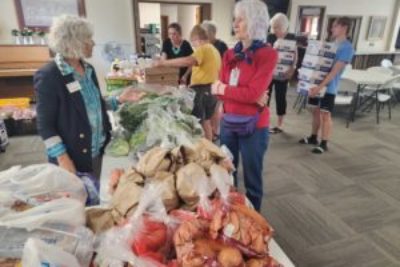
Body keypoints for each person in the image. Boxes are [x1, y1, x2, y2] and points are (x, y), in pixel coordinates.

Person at [34, 15, 141, 178]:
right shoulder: (49, 75)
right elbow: (45, 125)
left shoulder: (89, 69)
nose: (93, 43)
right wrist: (63, 158)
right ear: (73, 42)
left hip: (99, 150)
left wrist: (119, 100)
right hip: (73, 158)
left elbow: (93, 104)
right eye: (88, 38)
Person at [211, 0, 277, 211]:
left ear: (255, 22)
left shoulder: (267, 54)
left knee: (252, 179)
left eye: (241, 19)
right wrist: (245, 94)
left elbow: (250, 93)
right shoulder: (230, 54)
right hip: (228, 122)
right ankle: (230, 214)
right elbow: (218, 90)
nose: (235, 23)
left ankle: (254, 220)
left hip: (254, 127)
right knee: (227, 173)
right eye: (235, 19)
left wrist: (226, 90)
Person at [155, 25, 221, 141]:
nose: (194, 46)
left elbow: (188, 60)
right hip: (212, 90)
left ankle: (202, 150)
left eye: (194, 43)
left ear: (197, 39)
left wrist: (164, 63)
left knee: (198, 124)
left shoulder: (203, 48)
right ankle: (209, 149)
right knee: (206, 122)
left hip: (201, 91)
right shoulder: (214, 50)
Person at [299, 17, 355, 154]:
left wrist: (319, 87)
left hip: (329, 87)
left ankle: (324, 143)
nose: (332, 29)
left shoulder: (347, 48)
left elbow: (334, 72)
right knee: (315, 112)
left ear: (343, 27)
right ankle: (313, 137)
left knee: (325, 114)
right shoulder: (331, 44)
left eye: (335, 26)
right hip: (316, 85)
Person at [267, 13, 297, 134]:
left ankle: (280, 124)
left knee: (280, 97)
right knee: (266, 97)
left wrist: (292, 69)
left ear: (284, 27)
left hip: (283, 73)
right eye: (273, 27)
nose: (275, 30)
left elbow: (295, 55)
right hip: (269, 72)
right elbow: (267, 53)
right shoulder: (270, 37)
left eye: (277, 27)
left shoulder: (291, 37)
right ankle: (265, 122)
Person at [201, 20, 229, 141]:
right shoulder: (204, 45)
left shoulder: (221, 46)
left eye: (205, 32)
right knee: (208, 109)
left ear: (213, 33)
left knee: (215, 108)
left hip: (217, 80)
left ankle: (215, 132)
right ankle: (210, 132)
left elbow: (226, 65)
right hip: (205, 81)